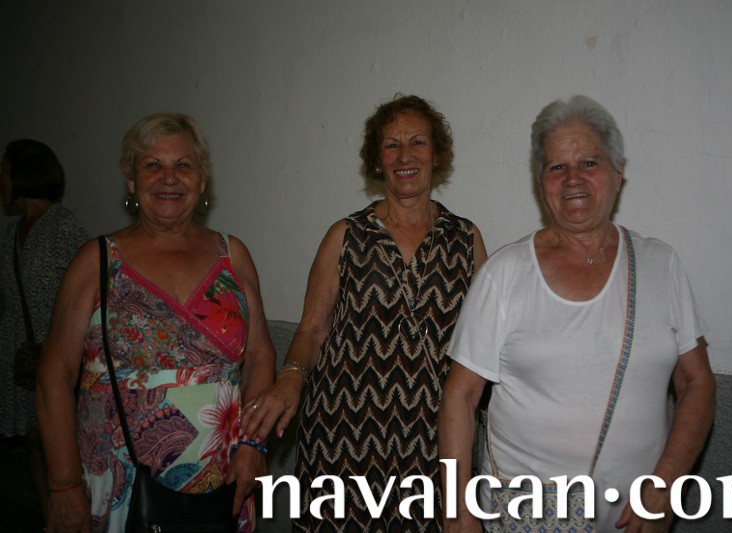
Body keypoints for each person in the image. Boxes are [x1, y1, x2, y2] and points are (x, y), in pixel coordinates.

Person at [439, 95, 716, 532]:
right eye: (557, 167)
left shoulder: (660, 265)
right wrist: (458, 511)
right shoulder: (504, 274)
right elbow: (461, 395)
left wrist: (666, 482)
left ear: (618, 171)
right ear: (541, 182)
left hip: (635, 518)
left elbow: (696, 381)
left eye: (589, 163)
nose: (573, 179)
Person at [240, 94, 488, 530]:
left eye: (417, 142)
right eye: (392, 145)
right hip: (342, 439)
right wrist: (290, 377)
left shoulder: (466, 240)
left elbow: (483, 347)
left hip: (435, 444)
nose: (405, 156)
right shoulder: (346, 236)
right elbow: (312, 330)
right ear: (377, 160)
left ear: (437, 154)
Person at [35, 113, 276, 532]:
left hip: (223, 478)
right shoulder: (97, 260)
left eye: (183, 165)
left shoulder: (232, 256)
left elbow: (259, 356)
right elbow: (54, 374)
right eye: (152, 165)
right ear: (131, 181)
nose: (169, 178)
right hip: (118, 482)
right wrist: (63, 484)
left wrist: (254, 446)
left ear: (202, 180)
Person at [0, 139, 87, 520]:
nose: (0, 179)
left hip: (56, 353)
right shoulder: (12, 232)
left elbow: (87, 292)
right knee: (34, 442)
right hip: (20, 354)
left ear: (24, 174)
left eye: (4, 171)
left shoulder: (62, 226)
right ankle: (51, 518)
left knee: (60, 442)